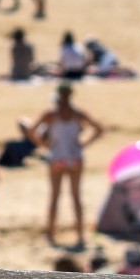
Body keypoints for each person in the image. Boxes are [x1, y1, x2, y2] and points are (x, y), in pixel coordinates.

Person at [31, 83, 104, 247]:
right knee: (76, 197)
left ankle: (51, 234)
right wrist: (84, 143)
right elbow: (99, 129)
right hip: (75, 158)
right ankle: (80, 235)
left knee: (55, 197)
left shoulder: (51, 114)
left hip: (57, 157)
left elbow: (31, 130)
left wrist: (44, 144)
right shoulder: (78, 114)